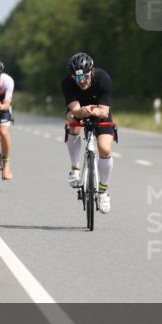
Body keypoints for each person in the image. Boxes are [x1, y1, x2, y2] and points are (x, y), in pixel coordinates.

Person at [62, 52, 113, 213]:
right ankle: (75, 168)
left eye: (85, 77)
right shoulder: (67, 83)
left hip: (100, 112)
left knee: (105, 149)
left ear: (91, 71)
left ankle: (103, 191)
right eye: (78, 78)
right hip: (79, 111)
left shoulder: (103, 78)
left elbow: (104, 112)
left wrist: (95, 111)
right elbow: (75, 110)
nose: (82, 81)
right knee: (73, 123)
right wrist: (82, 112)